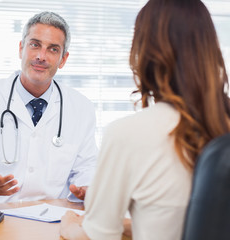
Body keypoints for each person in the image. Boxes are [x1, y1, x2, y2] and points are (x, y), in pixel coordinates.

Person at [60, 0, 230, 239]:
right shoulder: (223, 124)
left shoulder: (128, 134)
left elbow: (97, 237)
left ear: (146, 54)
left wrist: (69, 226)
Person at [0, 11, 98, 206]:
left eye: (53, 49)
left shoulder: (81, 108)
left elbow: (86, 168)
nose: (41, 56)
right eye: (35, 45)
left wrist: (88, 189)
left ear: (63, 59)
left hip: (53, 220)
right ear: (21, 49)